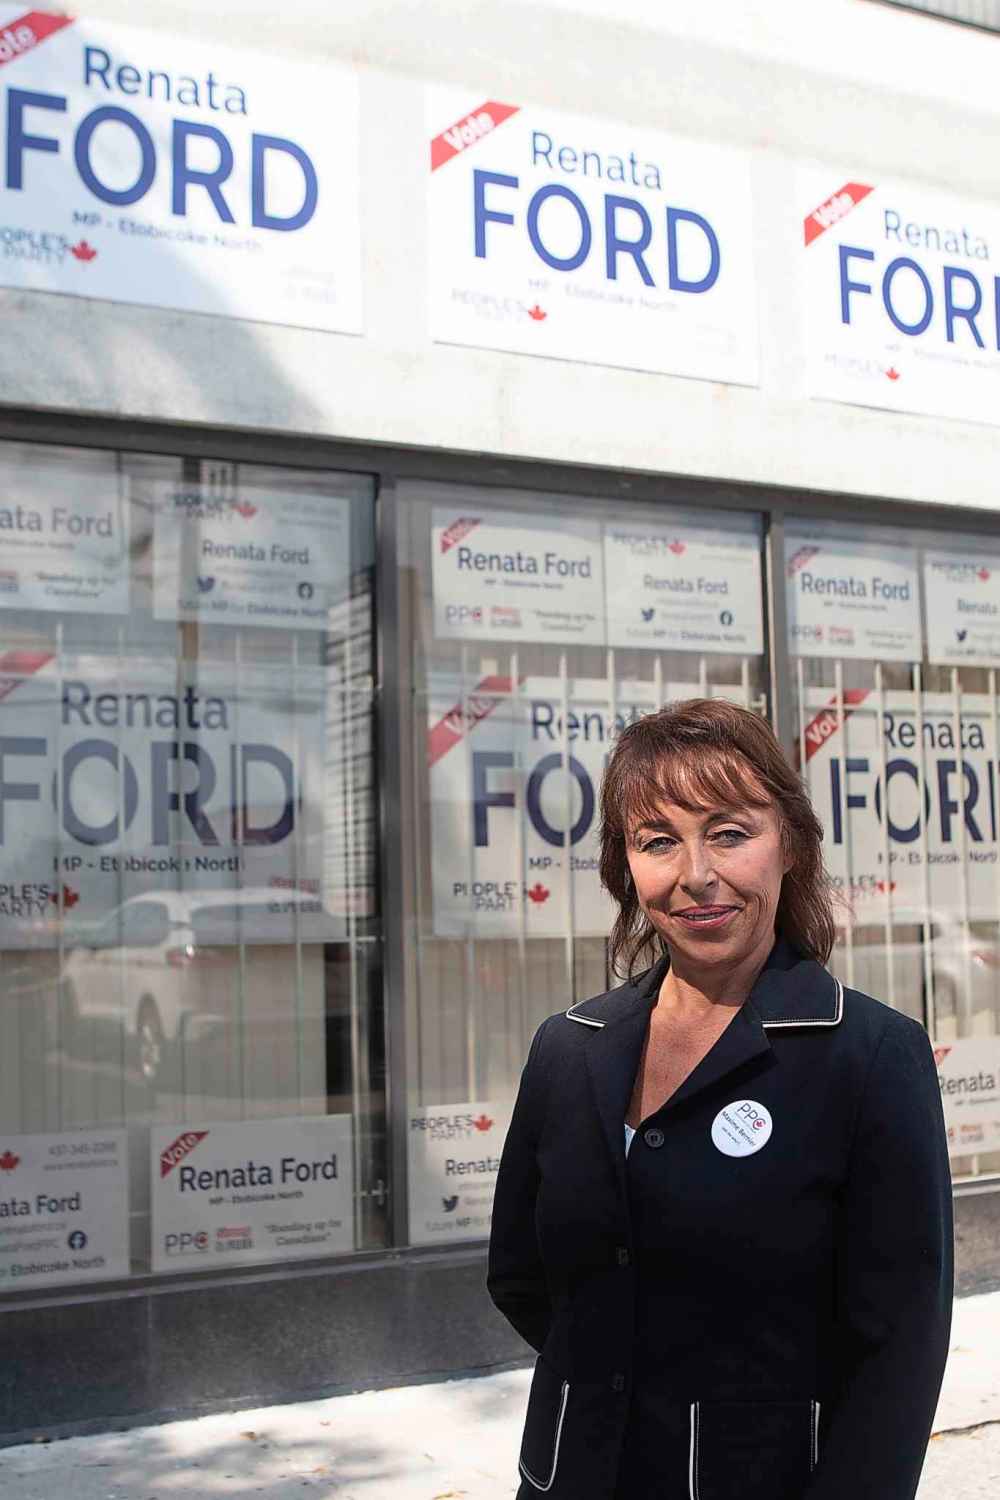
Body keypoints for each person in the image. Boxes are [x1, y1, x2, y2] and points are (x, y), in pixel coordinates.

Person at [487, 699, 953, 1500]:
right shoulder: (568, 1049)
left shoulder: (873, 1057)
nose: (696, 873)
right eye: (657, 841)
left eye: (730, 833)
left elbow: (898, 1354)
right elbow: (521, 1277)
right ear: (624, 867)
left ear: (791, 849)